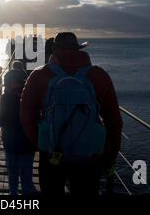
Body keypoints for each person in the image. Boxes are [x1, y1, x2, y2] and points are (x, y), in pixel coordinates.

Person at [20, 32, 123, 196]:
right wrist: (108, 155)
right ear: (78, 49)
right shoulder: (98, 75)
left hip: (52, 155)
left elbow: (26, 118)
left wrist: (43, 145)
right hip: (88, 157)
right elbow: (114, 122)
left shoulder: (39, 76)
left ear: (54, 49)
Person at [0, 64, 36, 195]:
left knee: (12, 175)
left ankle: (13, 196)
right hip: (28, 144)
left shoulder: (5, 99)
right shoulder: (31, 98)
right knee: (26, 177)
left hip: (10, 144)